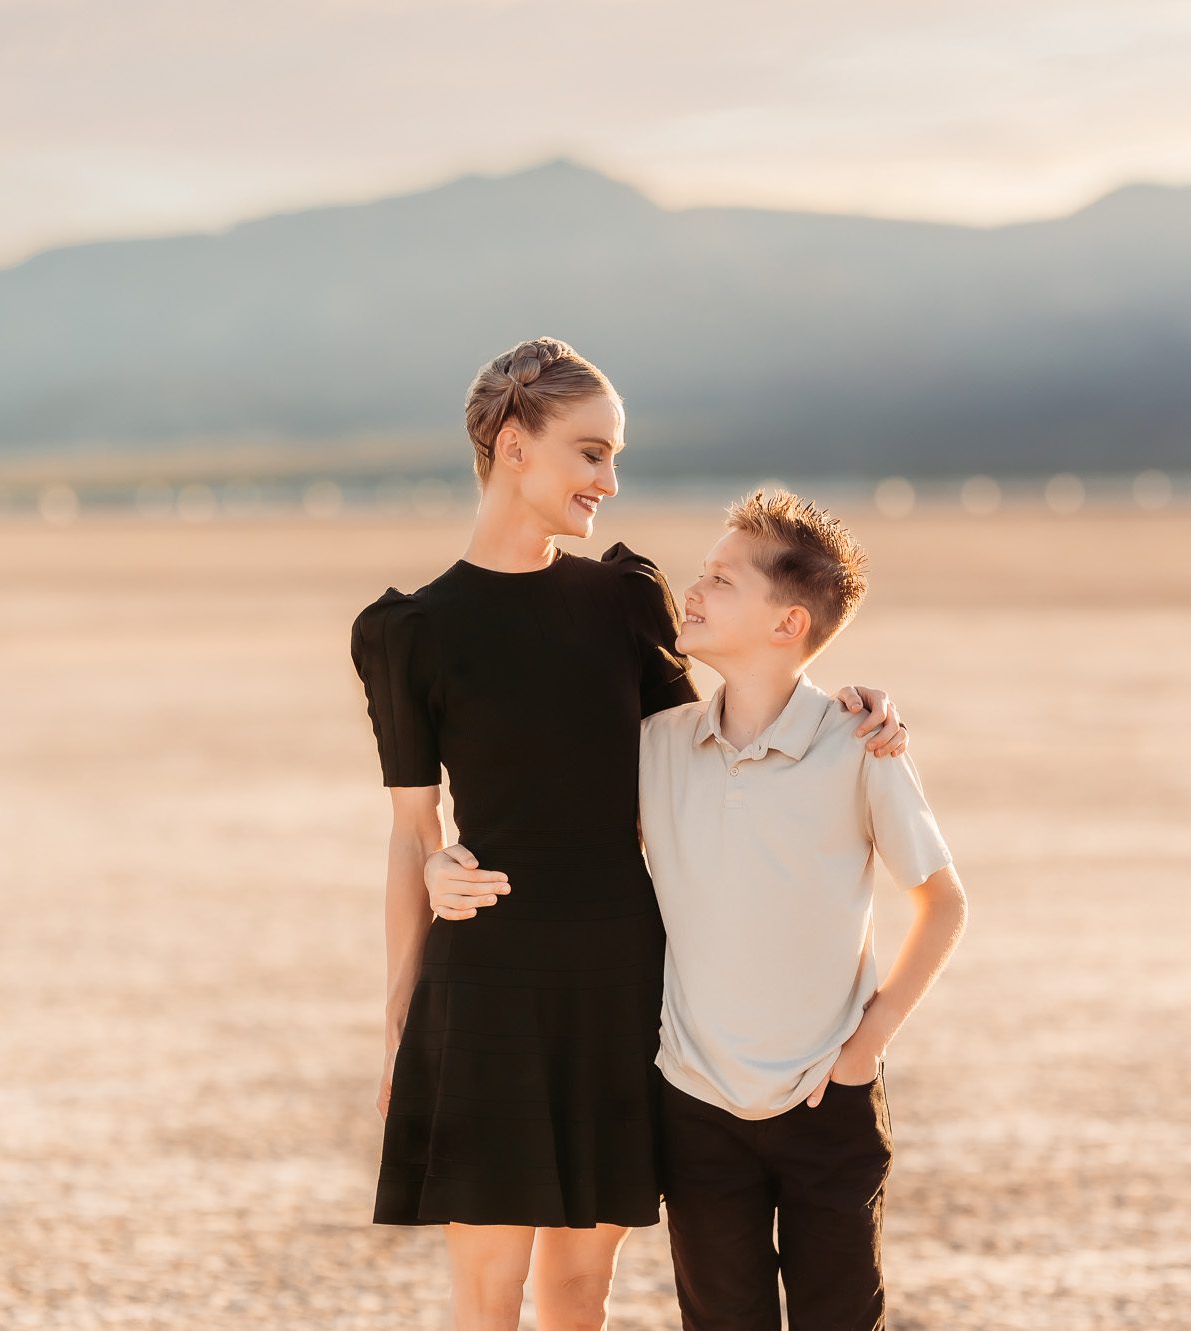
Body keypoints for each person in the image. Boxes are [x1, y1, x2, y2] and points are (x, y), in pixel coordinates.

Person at [349, 336, 913, 1331]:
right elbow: (410, 830)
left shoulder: (619, 598)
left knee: (579, 1291)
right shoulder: (407, 632)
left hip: (619, 977)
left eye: (614, 455)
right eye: (590, 452)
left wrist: (851, 706)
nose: (610, 479)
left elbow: (722, 731)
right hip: (480, 981)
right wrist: (399, 1017)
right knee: (483, 1295)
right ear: (514, 446)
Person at [637, 486, 968, 1331]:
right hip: (695, 1097)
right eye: (700, 573)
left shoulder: (858, 743)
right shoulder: (658, 745)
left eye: (722, 579)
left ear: (789, 625)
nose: (695, 591)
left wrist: (864, 1050)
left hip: (829, 1097)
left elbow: (941, 903)